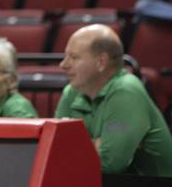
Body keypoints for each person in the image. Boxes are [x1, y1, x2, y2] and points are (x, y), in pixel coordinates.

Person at [56, 24, 172, 176]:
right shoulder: (71, 91)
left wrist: (75, 145)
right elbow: (53, 150)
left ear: (101, 62)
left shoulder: (126, 91)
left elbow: (109, 163)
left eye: (74, 57)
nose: (63, 65)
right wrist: (95, 144)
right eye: (65, 57)